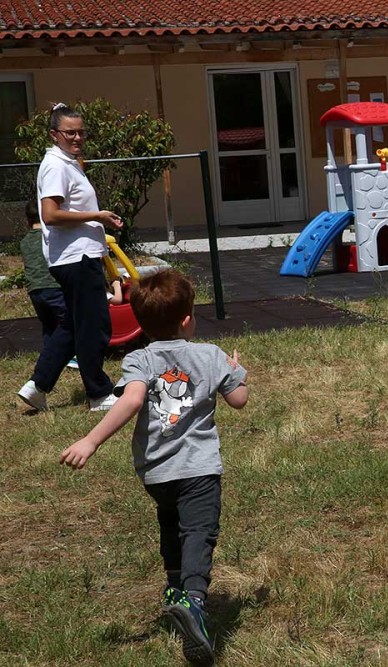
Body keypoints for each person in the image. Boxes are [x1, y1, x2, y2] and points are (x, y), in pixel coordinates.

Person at [59, 268, 249, 666]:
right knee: (198, 531)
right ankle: (195, 603)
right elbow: (239, 400)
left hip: (156, 472)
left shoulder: (138, 359)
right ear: (187, 320)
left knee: (170, 524)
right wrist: (235, 370)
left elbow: (130, 401)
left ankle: (174, 587)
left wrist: (91, 441)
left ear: (142, 323)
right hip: (198, 469)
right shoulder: (210, 356)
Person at [17, 102, 124, 412]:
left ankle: (38, 386)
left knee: (74, 325)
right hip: (75, 258)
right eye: (70, 133)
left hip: (76, 256)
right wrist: (98, 215)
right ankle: (99, 394)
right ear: (54, 134)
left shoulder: (67, 162)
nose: (77, 138)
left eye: (81, 133)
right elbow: (50, 215)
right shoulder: (55, 166)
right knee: (94, 325)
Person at [17, 200, 67, 410]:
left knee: (50, 328)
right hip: (54, 288)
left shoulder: (24, 241)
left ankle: (49, 358)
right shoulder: (50, 238)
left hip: (35, 291)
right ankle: (48, 369)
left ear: (27, 221)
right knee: (69, 326)